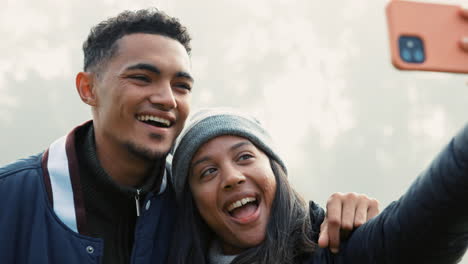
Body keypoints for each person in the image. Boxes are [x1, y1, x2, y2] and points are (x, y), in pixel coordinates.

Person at [0, 8, 379, 264]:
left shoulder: (200, 204)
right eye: (141, 78)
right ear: (88, 88)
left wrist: (340, 217)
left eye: (181, 85)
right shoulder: (12, 199)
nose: (166, 99)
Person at [169, 108, 468, 264]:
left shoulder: (336, 247)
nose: (232, 177)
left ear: (275, 172)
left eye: (245, 156)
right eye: (207, 172)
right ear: (193, 202)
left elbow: (426, 223)